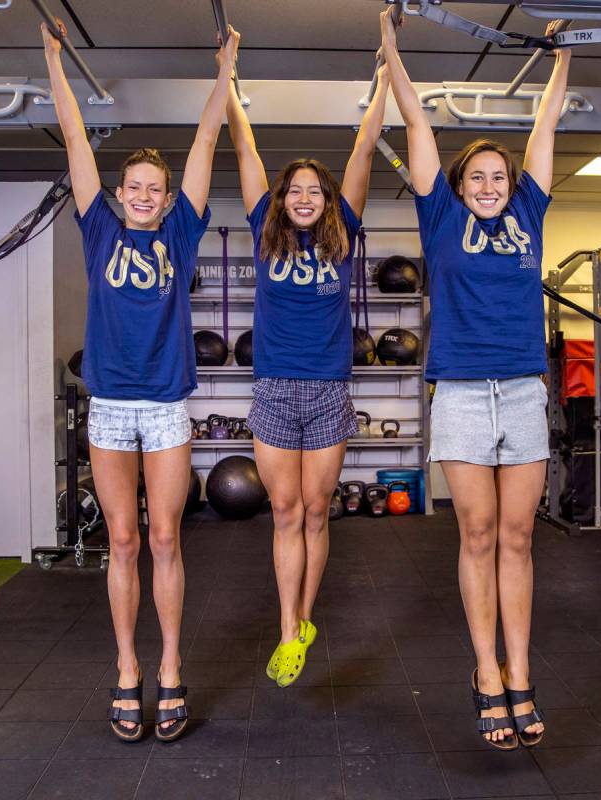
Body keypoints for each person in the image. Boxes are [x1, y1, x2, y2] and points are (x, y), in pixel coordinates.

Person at [42, 18, 240, 742]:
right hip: (109, 407)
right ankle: (127, 667)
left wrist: (225, 73)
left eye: (155, 188)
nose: (146, 196)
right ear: (121, 193)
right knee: (121, 541)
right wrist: (54, 64)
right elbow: (72, 138)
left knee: (165, 541)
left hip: (163, 408)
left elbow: (206, 143)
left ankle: (171, 667)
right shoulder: (98, 229)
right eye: (136, 187)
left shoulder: (181, 232)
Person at [381, 8, 571, 749]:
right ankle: (484, 673)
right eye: (478, 177)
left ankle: (518, 673)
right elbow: (415, 121)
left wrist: (560, 61)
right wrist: (389, 46)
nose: (490, 184)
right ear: (457, 186)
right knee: (478, 531)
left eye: (499, 175)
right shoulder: (438, 215)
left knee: (519, 536)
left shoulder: (528, 206)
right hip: (460, 390)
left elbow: (545, 127)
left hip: (522, 388)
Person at [224, 40, 390, 688]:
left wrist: (381, 78)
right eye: (293, 190)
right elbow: (243, 150)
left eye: (312, 190)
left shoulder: (343, 231)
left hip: (327, 391)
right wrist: (229, 81)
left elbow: (364, 145)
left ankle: (301, 621)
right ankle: (286, 626)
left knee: (318, 511)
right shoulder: (266, 228)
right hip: (271, 390)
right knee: (285, 510)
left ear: (325, 199)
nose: (303, 197)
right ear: (281, 198)